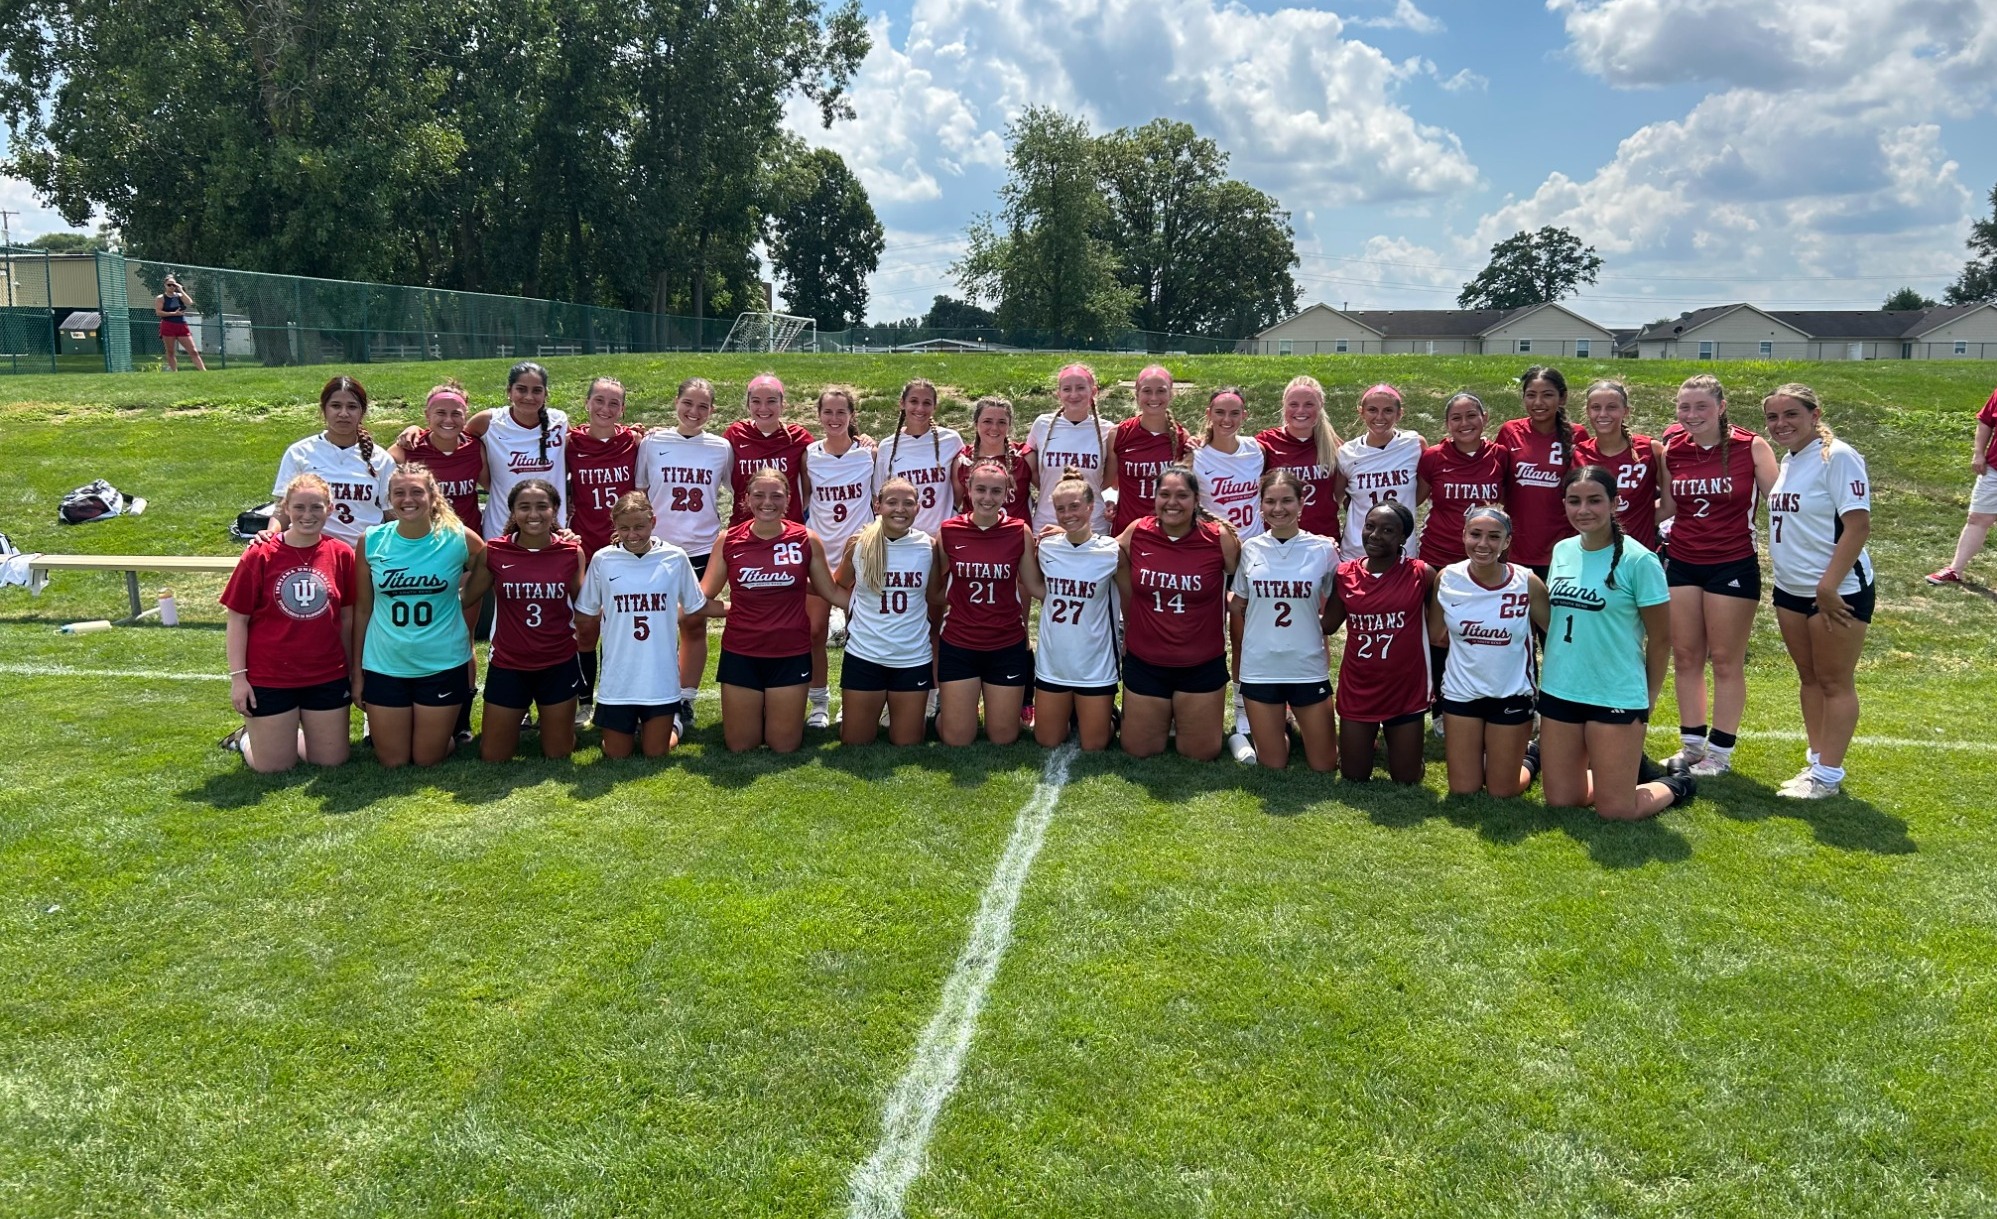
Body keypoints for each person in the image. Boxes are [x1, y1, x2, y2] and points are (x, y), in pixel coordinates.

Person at [1537, 466, 1694, 819]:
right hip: (1561, 689)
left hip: (1615, 693)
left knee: (1616, 812)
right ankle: (1613, 778)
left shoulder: (1639, 560)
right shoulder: (1562, 550)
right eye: (1574, 501)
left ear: (1615, 504)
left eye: (1595, 500)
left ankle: (1677, 783)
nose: (1584, 510)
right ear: (1564, 504)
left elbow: (1661, 638)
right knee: (1562, 802)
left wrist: (1647, 698)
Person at [1659, 373, 1779, 777]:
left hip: (1732, 562)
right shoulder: (1672, 448)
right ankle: (1692, 746)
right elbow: (1667, 506)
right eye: (1684, 407)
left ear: (1721, 407)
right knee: (1687, 656)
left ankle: (1721, 753)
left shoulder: (1751, 446)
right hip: (1683, 560)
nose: (1692, 415)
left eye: (1701, 407)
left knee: (1726, 660)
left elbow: (1781, 504)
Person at [1765, 383, 1874, 799]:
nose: (1781, 424)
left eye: (1791, 414)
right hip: (1790, 588)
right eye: (1773, 417)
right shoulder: (1790, 460)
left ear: (1815, 414)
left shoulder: (1838, 456)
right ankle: (1816, 764)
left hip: (1837, 590)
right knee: (1809, 677)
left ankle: (1829, 776)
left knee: (1834, 681)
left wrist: (1828, 586)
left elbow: (1858, 525)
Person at [218, 474, 355, 772]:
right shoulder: (260, 554)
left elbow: (347, 618)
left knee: (332, 762)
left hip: (327, 674)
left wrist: (351, 670)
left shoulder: (342, 554)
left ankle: (285, 731)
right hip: (270, 676)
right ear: (286, 509)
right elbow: (237, 619)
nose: (308, 515)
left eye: (316, 507)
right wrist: (239, 679)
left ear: (330, 509)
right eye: (300, 507)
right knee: (274, 768)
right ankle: (246, 738)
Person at [350, 463, 483, 768]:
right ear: (390, 498)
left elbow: (491, 561)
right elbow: (363, 609)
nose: (407, 499)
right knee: (393, 761)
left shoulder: (455, 538)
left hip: (442, 662)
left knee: (427, 759)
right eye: (399, 493)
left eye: (416, 492)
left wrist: (466, 597)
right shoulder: (371, 541)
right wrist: (358, 674)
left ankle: (443, 732)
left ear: (433, 496)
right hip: (386, 663)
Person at [701, 467, 840, 753]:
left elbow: (831, 591)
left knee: (784, 746)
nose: (768, 502)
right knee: (740, 746)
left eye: (776, 496)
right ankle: (760, 708)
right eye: (759, 495)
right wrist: (733, 608)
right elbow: (701, 599)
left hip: (789, 653)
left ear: (788, 499)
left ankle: (772, 708)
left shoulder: (806, 539)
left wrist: (876, 606)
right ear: (747, 498)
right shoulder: (728, 540)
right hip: (741, 651)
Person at [575, 493, 720, 758]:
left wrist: (745, 609)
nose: (632, 535)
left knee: (657, 752)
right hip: (619, 678)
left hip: (659, 677)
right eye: (624, 528)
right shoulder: (603, 559)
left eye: (639, 526)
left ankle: (673, 722)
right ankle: (628, 728)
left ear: (653, 521)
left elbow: (697, 605)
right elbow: (585, 613)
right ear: (615, 527)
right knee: (617, 754)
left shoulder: (674, 557)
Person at [1117, 465, 1240, 761]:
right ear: (1155, 498)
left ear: (1196, 500)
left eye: (1182, 495)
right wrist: (1063, 533)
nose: (1172, 502)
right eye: (1165, 495)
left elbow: (1249, 572)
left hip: (1201, 663)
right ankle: (1121, 716)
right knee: (1139, 750)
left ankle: (1178, 716)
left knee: (1201, 753)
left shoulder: (1218, 538)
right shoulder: (1137, 532)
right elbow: (1097, 550)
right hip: (1146, 661)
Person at [459, 480, 586, 761]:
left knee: (558, 752)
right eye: (524, 507)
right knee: (493, 755)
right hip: (509, 663)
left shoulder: (570, 552)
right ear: (513, 512)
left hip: (558, 662)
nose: (534, 514)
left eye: (542, 507)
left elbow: (585, 606)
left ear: (554, 510)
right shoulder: (495, 551)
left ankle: (563, 728)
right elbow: (466, 598)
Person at [1427, 505, 1547, 797]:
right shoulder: (1447, 578)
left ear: (1507, 542)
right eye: (1475, 534)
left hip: (1511, 694)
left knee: (1501, 791)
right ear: (1464, 536)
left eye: (1494, 537)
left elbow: (1553, 635)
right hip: (1460, 694)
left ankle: (1531, 757)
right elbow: (1435, 635)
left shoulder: (1526, 582)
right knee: (1463, 789)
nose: (1483, 544)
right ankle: (1494, 758)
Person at [635, 377, 733, 729]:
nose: (694, 412)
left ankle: (686, 699)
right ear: (676, 402)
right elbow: (640, 491)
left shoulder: (720, 447)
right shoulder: (651, 442)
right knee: (653, 624)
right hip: (659, 547)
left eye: (703, 406)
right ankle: (649, 695)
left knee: (693, 624)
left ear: (712, 410)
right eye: (688, 403)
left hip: (702, 547)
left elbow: (737, 489)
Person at [1227, 469, 1339, 771]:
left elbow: (1338, 601)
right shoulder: (1251, 548)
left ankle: (1286, 721)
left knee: (1325, 764)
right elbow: (1237, 602)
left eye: (1287, 500)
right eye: (1270, 501)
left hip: (1306, 665)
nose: (1278, 509)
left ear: (1302, 503)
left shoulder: (1324, 550)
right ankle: (1281, 726)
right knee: (1273, 763)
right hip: (1261, 666)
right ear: (1260, 505)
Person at [933, 459, 1040, 747]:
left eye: (996, 491)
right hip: (960, 642)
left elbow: (1034, 586)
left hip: (1005, 643)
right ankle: (948, 709)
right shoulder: (949, 531)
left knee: (1003, 737)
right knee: (957, 738)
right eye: (980, 489)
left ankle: (998, 707)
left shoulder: (1019, 531)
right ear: (968, 489)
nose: (987, 498)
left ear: (1007, 493)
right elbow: (934, 588)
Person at [1323, 502, 1431, 783]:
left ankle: (1404, 751)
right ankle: (1370, 744)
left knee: (1407, 780)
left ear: (1403, 538)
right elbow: (1329, 624)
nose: (1375, 535)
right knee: (1353, 776)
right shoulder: (1345, 574)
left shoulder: (1421, 574)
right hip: (1360, 686)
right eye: (1370, 526)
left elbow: (1441, 625)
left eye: (1387, 530)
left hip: (1405, 688)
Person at [833, 478, 937, 747]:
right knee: (855, 741)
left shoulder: (929, 547)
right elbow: (841, 586)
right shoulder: (858, 543)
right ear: (878, 505)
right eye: (892, 502)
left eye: (908, 503)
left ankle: (913, 710)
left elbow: (934, 597)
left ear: (918, 508)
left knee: (908, 742)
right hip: (865, 654)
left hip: (912, 657)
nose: (899, 509)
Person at [564, 376, 645, 715]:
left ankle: (619, 695)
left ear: (623, 409)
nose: (605, 408)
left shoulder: (634, 442)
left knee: (622, 629)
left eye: (614, 403)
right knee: (585, 627)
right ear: (587, 403)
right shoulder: (569, 443)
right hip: (584, 546)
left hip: (623, 548)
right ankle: (583, 700)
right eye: (599, 400)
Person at [1027, 468, 1121, 751]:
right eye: (1060, 509)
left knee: (1095, 745)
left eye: (1075, 506)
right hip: (1054, 663)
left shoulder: (1111, 551)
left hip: (1095, 664)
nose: (1068, 514)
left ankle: (1108, 715)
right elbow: (1037, 587)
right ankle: (1070, 711)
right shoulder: (1047, 547)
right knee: (1047, 740)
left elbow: (1126, 595)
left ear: (1091, 506)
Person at [804, 385, 876, 729]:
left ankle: (852, 700)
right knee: (815, 631)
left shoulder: (868, 455)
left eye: (841, 412)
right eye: (828, 412)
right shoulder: (809, 454)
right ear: (819, 415)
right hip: (820, 557)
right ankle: (819, 703)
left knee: (857, 633)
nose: (834, 418)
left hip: (857, 557)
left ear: (852, 416)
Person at [273, 375, 396, 548]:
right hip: (311, 551)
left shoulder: (381, 459)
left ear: (363, 411)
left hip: (362, 554)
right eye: (336, 406)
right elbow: (283, 508)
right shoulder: (300, 452)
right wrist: (270, 534)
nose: (344, 413)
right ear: (324, 410)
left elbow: (391, 514)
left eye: (352, 407)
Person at [1497, 365, 1577, 576]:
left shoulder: (1578, 434)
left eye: (1547, 395)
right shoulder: (1510, 431)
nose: (1538, 403)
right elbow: (1499, 484)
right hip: (1517, 547)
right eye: (1531, 395)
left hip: (1562, 548)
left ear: (1562, 398)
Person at [1416, 392, 1511, 568]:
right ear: (1447, 424)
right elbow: (1414, 499)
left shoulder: (1500, 454)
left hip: (1483, 554)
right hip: (1437, 554)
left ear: (1485, 417)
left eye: (1472, 415)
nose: (1465, 423)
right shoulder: (1434, 456)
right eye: (1456, 418)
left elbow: (1507, 501)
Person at [1574, 378, 1670, 551]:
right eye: (1596, 407)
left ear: (1625, 411)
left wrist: (1643, 519)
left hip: (1637, 554)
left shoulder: (1650, 450)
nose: (1603, 413)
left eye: (1612, 407)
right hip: (1593, 552)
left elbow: (1670, 503)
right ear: (1588, 411)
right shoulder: (1578, 454)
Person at [1337, 382, 1424, 560]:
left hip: (1401, 548)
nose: (1379, 416)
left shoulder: (1414, 444)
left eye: (1388, 410)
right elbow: (1338, 497)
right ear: (1361, 411)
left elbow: (1424, 488)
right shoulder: (1347, 453)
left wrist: (1403, 507)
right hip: (1357, 550)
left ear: (1399, 413)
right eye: (1372, 410)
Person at [387, 381, 486, 531]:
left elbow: (495, 487)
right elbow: (381, 485)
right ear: (427, 415)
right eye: (440, 413)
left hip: (467, 539)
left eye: (456, 414)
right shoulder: (409, 447)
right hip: (424, 541)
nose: (448, 420)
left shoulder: (475, 448)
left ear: (465, 416)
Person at [1109, 364, 1195, 536]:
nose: (1154, 397)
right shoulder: (1119, 434)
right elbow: (1109, 483)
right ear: (1137, 395)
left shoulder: (1181, 437)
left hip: (1166, 531)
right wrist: (1109, 502)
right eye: (1147, 391)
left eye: (1161, 391)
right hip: (1127, 532)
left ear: (1171, 394)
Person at [1255, 375, 1344, 538]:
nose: (1300, 411)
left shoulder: (1334, 445)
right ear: (1284, 406)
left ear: (1321, 406)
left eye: (1309, 404)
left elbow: (1337, 495)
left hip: (1323, 539)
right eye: (1293, 404)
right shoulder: (1266, 442)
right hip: (1279, 538)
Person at [1926, 382, 1997, 586]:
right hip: (1993, 469)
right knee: (1977, 518)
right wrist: (1978, 453)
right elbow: (1985, 422)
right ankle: (1955, 570)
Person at [1028, 364, 1112, 532]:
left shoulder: (1108, 430)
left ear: (1093, 392)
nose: (1073, 395)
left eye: (1081, 388)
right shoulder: (1042, 425)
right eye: (1067, 389)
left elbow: (1111, 480)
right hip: (1047, 523)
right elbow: (1032, 472)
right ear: (1058, 394)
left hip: (1093, 525)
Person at [876, 378, 965, 537]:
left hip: (942, 536)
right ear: (902, 403)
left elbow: (960, 486)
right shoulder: (887, 447)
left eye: (927, 403)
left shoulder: (951, 440)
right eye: (914, 401)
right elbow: (878, 495)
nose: (920, 408)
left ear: (935, 406)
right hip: (903, 537)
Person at [725, 373, 814, 525]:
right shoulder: (735, 434)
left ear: (783, 404)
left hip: (788, 530)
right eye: (756, 401)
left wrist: (863, 440)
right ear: (748, 405)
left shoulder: (797, 437)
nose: (763, 408)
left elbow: (830, 451)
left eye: (771, 401)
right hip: (744, 528)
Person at [1193, 386, 1266, 539]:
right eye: (1219, 412)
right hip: (1216, 544)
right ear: (1209, 414)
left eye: (1234, 413)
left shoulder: (1255, 449)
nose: (1226, 419)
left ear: (1244, 415)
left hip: (1255, 544)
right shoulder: (1196, 456)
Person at [951, 394, 1034, 520]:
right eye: (987, 421)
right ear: (975, 424)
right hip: (975, 535)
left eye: (1001, 422)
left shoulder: (1024, 456)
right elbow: (954, 506)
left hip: (1016, 536)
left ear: (1009, 426)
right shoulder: (962, 460)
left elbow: (1048, 492)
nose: (994, 428)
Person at [153, 274, 206, 371]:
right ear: (165, 285)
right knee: (170, 352)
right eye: (169, 285)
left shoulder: (179, 296)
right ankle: (175, 372)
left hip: (181, 325)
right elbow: (158, 312)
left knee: (193, 351)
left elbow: (190, 302)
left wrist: (181, 289)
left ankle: (203, 372)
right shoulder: (161, 298)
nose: (172, 287)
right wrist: (174, 313)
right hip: (168, 325)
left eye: (174, 285)